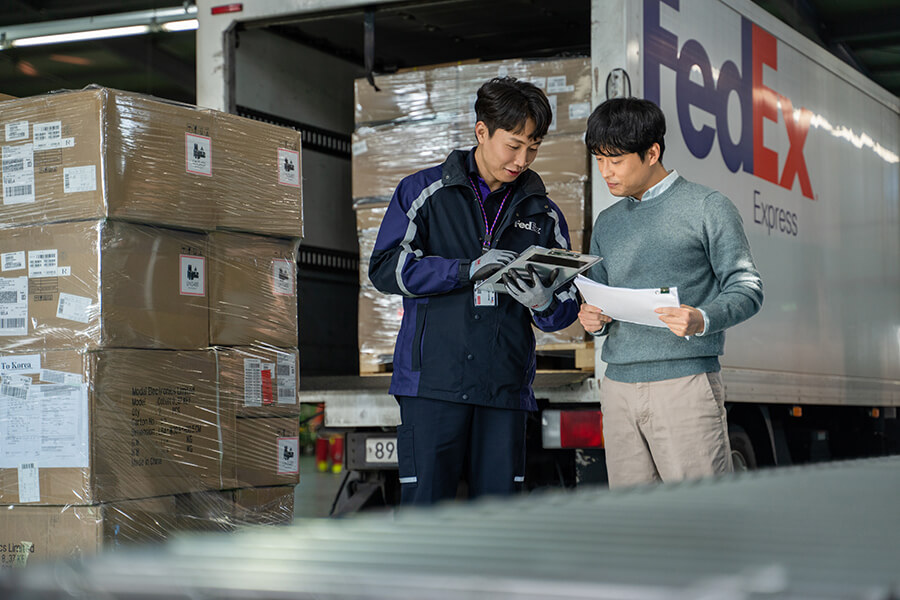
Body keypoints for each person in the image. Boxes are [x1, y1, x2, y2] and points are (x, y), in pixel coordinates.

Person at [369, 77, 579, 506]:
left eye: (534, 147)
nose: (523, 159)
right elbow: (385, 268)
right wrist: (463, 270)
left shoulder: (544, 214)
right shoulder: (423, 193)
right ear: (481, 132)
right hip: (432, 386)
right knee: (426, 517)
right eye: (514, 145)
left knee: (498, 524)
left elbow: (566, 307)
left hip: (503, 390)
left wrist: (544, 303)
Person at [578, 97, 763, 488]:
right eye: (598, 160)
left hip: (685, 384)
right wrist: (593, 319)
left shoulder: (707, 207)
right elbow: (601, 301)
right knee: (634, 524)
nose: (605, 172)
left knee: (701, 518)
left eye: (615, 160)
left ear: (652, 152)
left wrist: (702, 319)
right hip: (618, 388)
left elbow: (747, 288)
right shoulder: (607, 223)